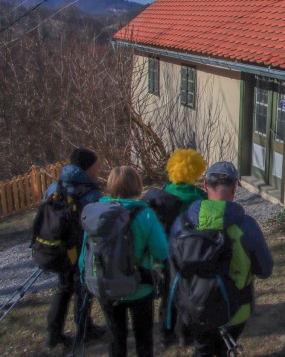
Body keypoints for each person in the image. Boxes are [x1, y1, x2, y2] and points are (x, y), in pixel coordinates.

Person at [169, 161, 273, 357]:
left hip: (194, 306)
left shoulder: (182, 224)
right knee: (224, 349)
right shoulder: (247, 225)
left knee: (202, 348)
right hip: (235, 310)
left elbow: (172, 265)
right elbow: (265, 270)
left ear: (205, 185)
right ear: (234, 188)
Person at [80, 166, 168, 357]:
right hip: (140, 285)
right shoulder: (145, 214)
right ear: (137, 185)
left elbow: (84, 253)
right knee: (143, 337)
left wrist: (85, 279)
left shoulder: (96, 214)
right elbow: (162, 251)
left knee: (115, 336)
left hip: (106, 284)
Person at [43, 147, 105, 349]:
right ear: (88, 167)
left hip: (57, 246)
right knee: (82, 288)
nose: (99, 168)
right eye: (96, 164)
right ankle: (85, 328)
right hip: (79, 248)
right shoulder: (91, 192)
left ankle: (54, 334)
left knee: (63, 288)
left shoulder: (55, 186)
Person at [159, 149, 207, 346]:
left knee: (167, 292)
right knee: (188, 293)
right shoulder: (199, 196)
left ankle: (164, 333)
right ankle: (185, 335)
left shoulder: (164, 191)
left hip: (167, 249)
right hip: (189, 250)